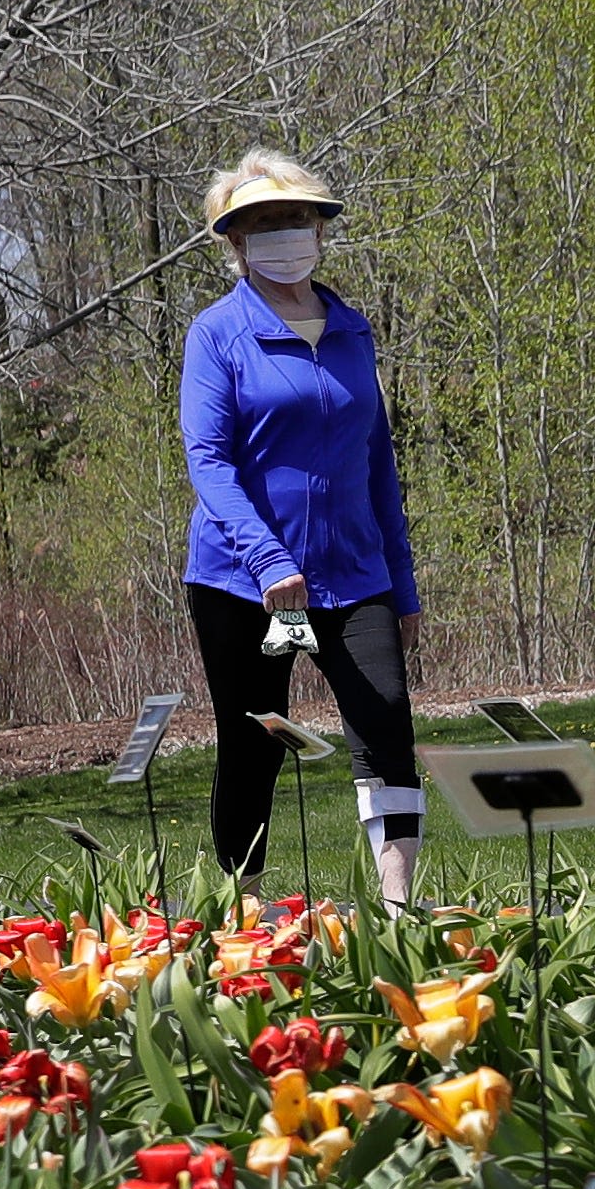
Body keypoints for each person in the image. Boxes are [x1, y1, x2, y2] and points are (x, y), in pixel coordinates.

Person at [179, 149, 428, 910]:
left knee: (386, 727)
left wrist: (403, 583)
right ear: (235, 244)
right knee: (256, 741)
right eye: (262, 225)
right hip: (249, 586)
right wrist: (266, 559)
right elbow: (209, 459)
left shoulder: (353, 331)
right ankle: (243, 913)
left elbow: (377, 462)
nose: (284, 235)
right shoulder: (218, 334)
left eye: (296, 220)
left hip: (353, 576)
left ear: (320, 231)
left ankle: (397, 912)